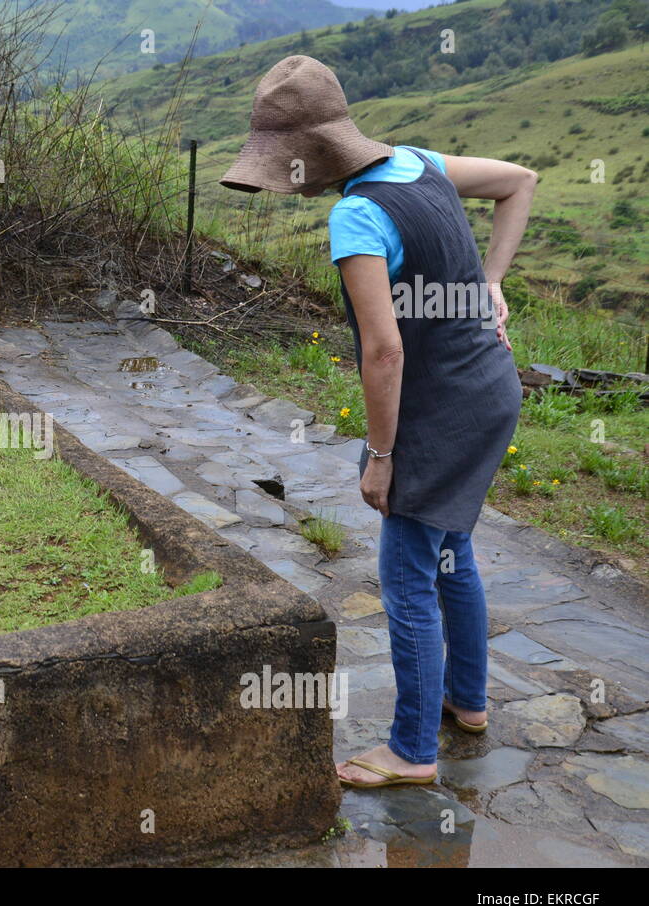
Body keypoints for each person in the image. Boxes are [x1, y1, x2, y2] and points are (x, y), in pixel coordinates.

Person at [220, 55, 535, 788]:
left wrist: (382, 455)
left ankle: (411, 749)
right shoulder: (420, 163)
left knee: (406, 575)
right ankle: (469, 702)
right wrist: (492, 280)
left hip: (440, 412)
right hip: (492, 387)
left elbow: (384, 352)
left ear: (305, 157)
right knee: (452, 548)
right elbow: (521, 182)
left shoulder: (357, 215)